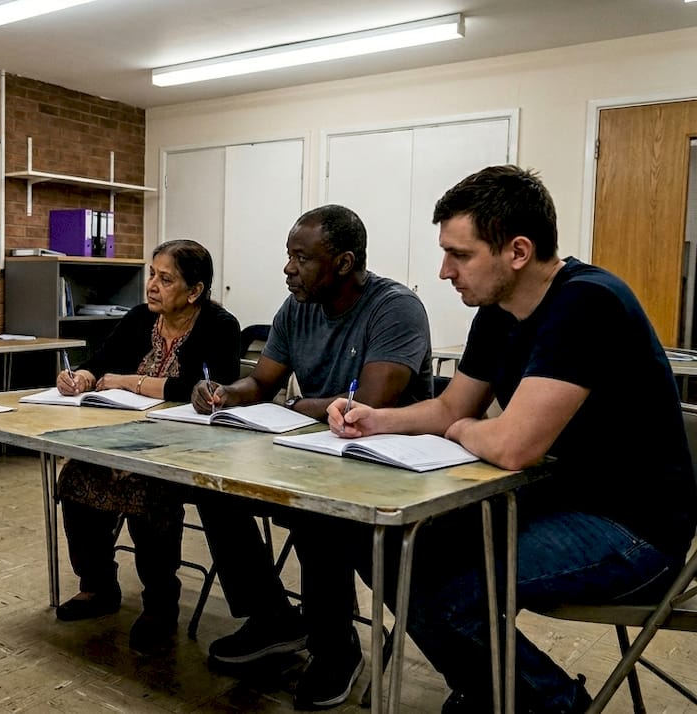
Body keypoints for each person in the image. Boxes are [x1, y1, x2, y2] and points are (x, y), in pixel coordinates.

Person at [328, 165, 697, 712]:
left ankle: (550, 703)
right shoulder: (497, 312)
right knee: (378, 544)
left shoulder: (587, 302)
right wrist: (371, 419)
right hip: (560, 500)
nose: (445, 270)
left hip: (633, 528)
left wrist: (465, 430)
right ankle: (490, 687)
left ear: (517, 252)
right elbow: (454, 408)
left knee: (444, 592)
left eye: (461, 254)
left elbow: (512, 446)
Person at [190, 204, 433, 709]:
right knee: (214, 487)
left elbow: (372, 401)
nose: (287, 268)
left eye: (301, 258)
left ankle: (336, 648)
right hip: (314, 448)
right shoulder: (296, 307)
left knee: (318, 514)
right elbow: (260, 382)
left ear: (343, 263)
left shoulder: (395, 308)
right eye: (288, 255)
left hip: (388, 465)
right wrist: (222, 392)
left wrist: (294, 406)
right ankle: (273, 620)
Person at [53, 239, 240, 653]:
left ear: (195, 291)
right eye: (151, 274)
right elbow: (101, 361)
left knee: (148, 487)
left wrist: (125, 381)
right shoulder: (140, 318)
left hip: (186, 446)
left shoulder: (220, 326)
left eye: (165, 279)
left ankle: (161, 601)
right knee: (76, 475)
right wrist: (81, 378)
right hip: (124, 436)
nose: (151, 286)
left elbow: (195, 389)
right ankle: (98, 586)